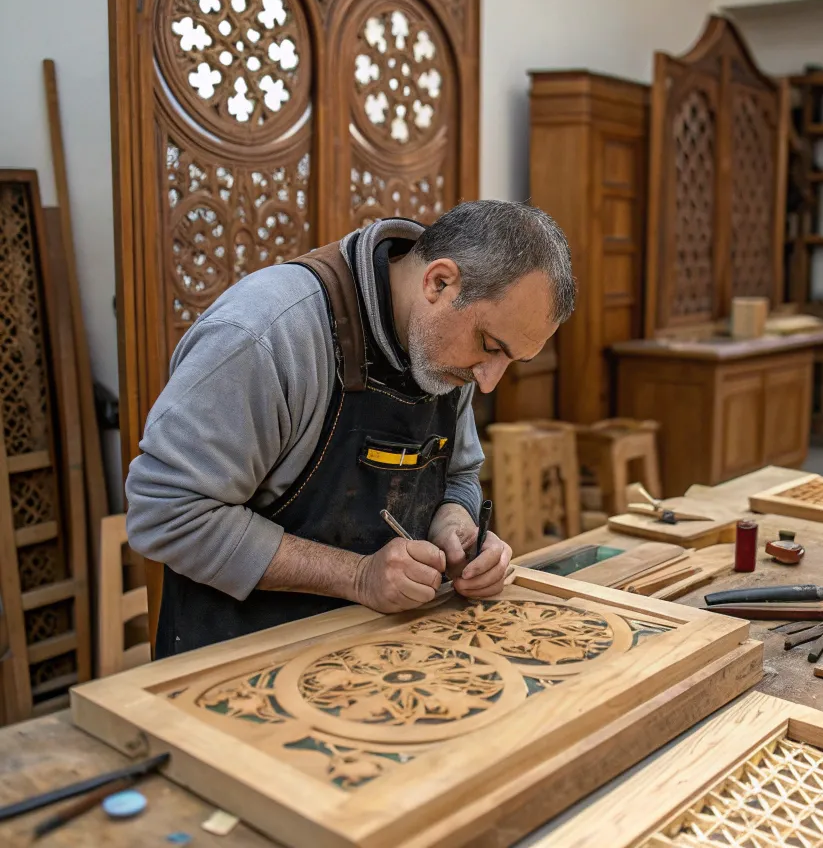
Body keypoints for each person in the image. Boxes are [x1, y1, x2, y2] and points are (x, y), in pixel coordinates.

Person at [125, 200, 576, 656]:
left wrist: (455, 522)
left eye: (510, 361)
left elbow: (458, 473)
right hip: (241, 661)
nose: (488, 381)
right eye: (489, 346)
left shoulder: (444, 350)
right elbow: (166, 511)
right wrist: (358, 576)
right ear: (439, 282)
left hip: (379, 655)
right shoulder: (266, 334)